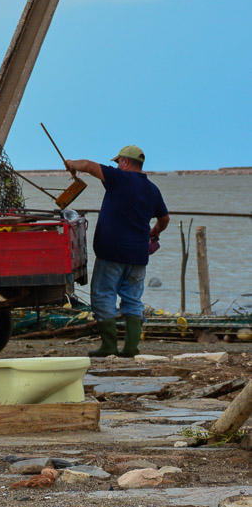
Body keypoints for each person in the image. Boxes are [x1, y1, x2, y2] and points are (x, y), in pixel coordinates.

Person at [64, 145, 169, 357]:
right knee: (132, 298)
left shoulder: (118, 178)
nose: (116, 165)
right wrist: (154, 233)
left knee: (103, 295)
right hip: (139, 255)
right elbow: (164, 218)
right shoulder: (152, 189)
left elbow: (88, 166)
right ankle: (131, 347)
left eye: (118, 161)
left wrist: (71, 164)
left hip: (111, 252)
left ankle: (109, 346)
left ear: (125, 162)